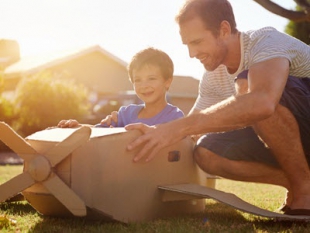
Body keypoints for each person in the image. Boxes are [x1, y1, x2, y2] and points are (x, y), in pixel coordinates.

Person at [125, 0, 310, 216]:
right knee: (205, 151)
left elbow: (262, 101)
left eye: (197, 42)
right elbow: (191, 129)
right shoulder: (213, 76)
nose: (192, 54)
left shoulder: (265, 41)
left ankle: (304, 190)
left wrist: (179, 128)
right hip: (295, 143)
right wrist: (141, 137)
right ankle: (301, 181)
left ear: (223, 30)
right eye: (187, 45)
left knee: (249, 91)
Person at [57, 47, 184, 128]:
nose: (144, 85)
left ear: (167, 82)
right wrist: (79, 127)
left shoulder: (175, 118)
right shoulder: (125, 114)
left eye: (151, 78)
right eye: (137, 80)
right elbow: (97, 132)